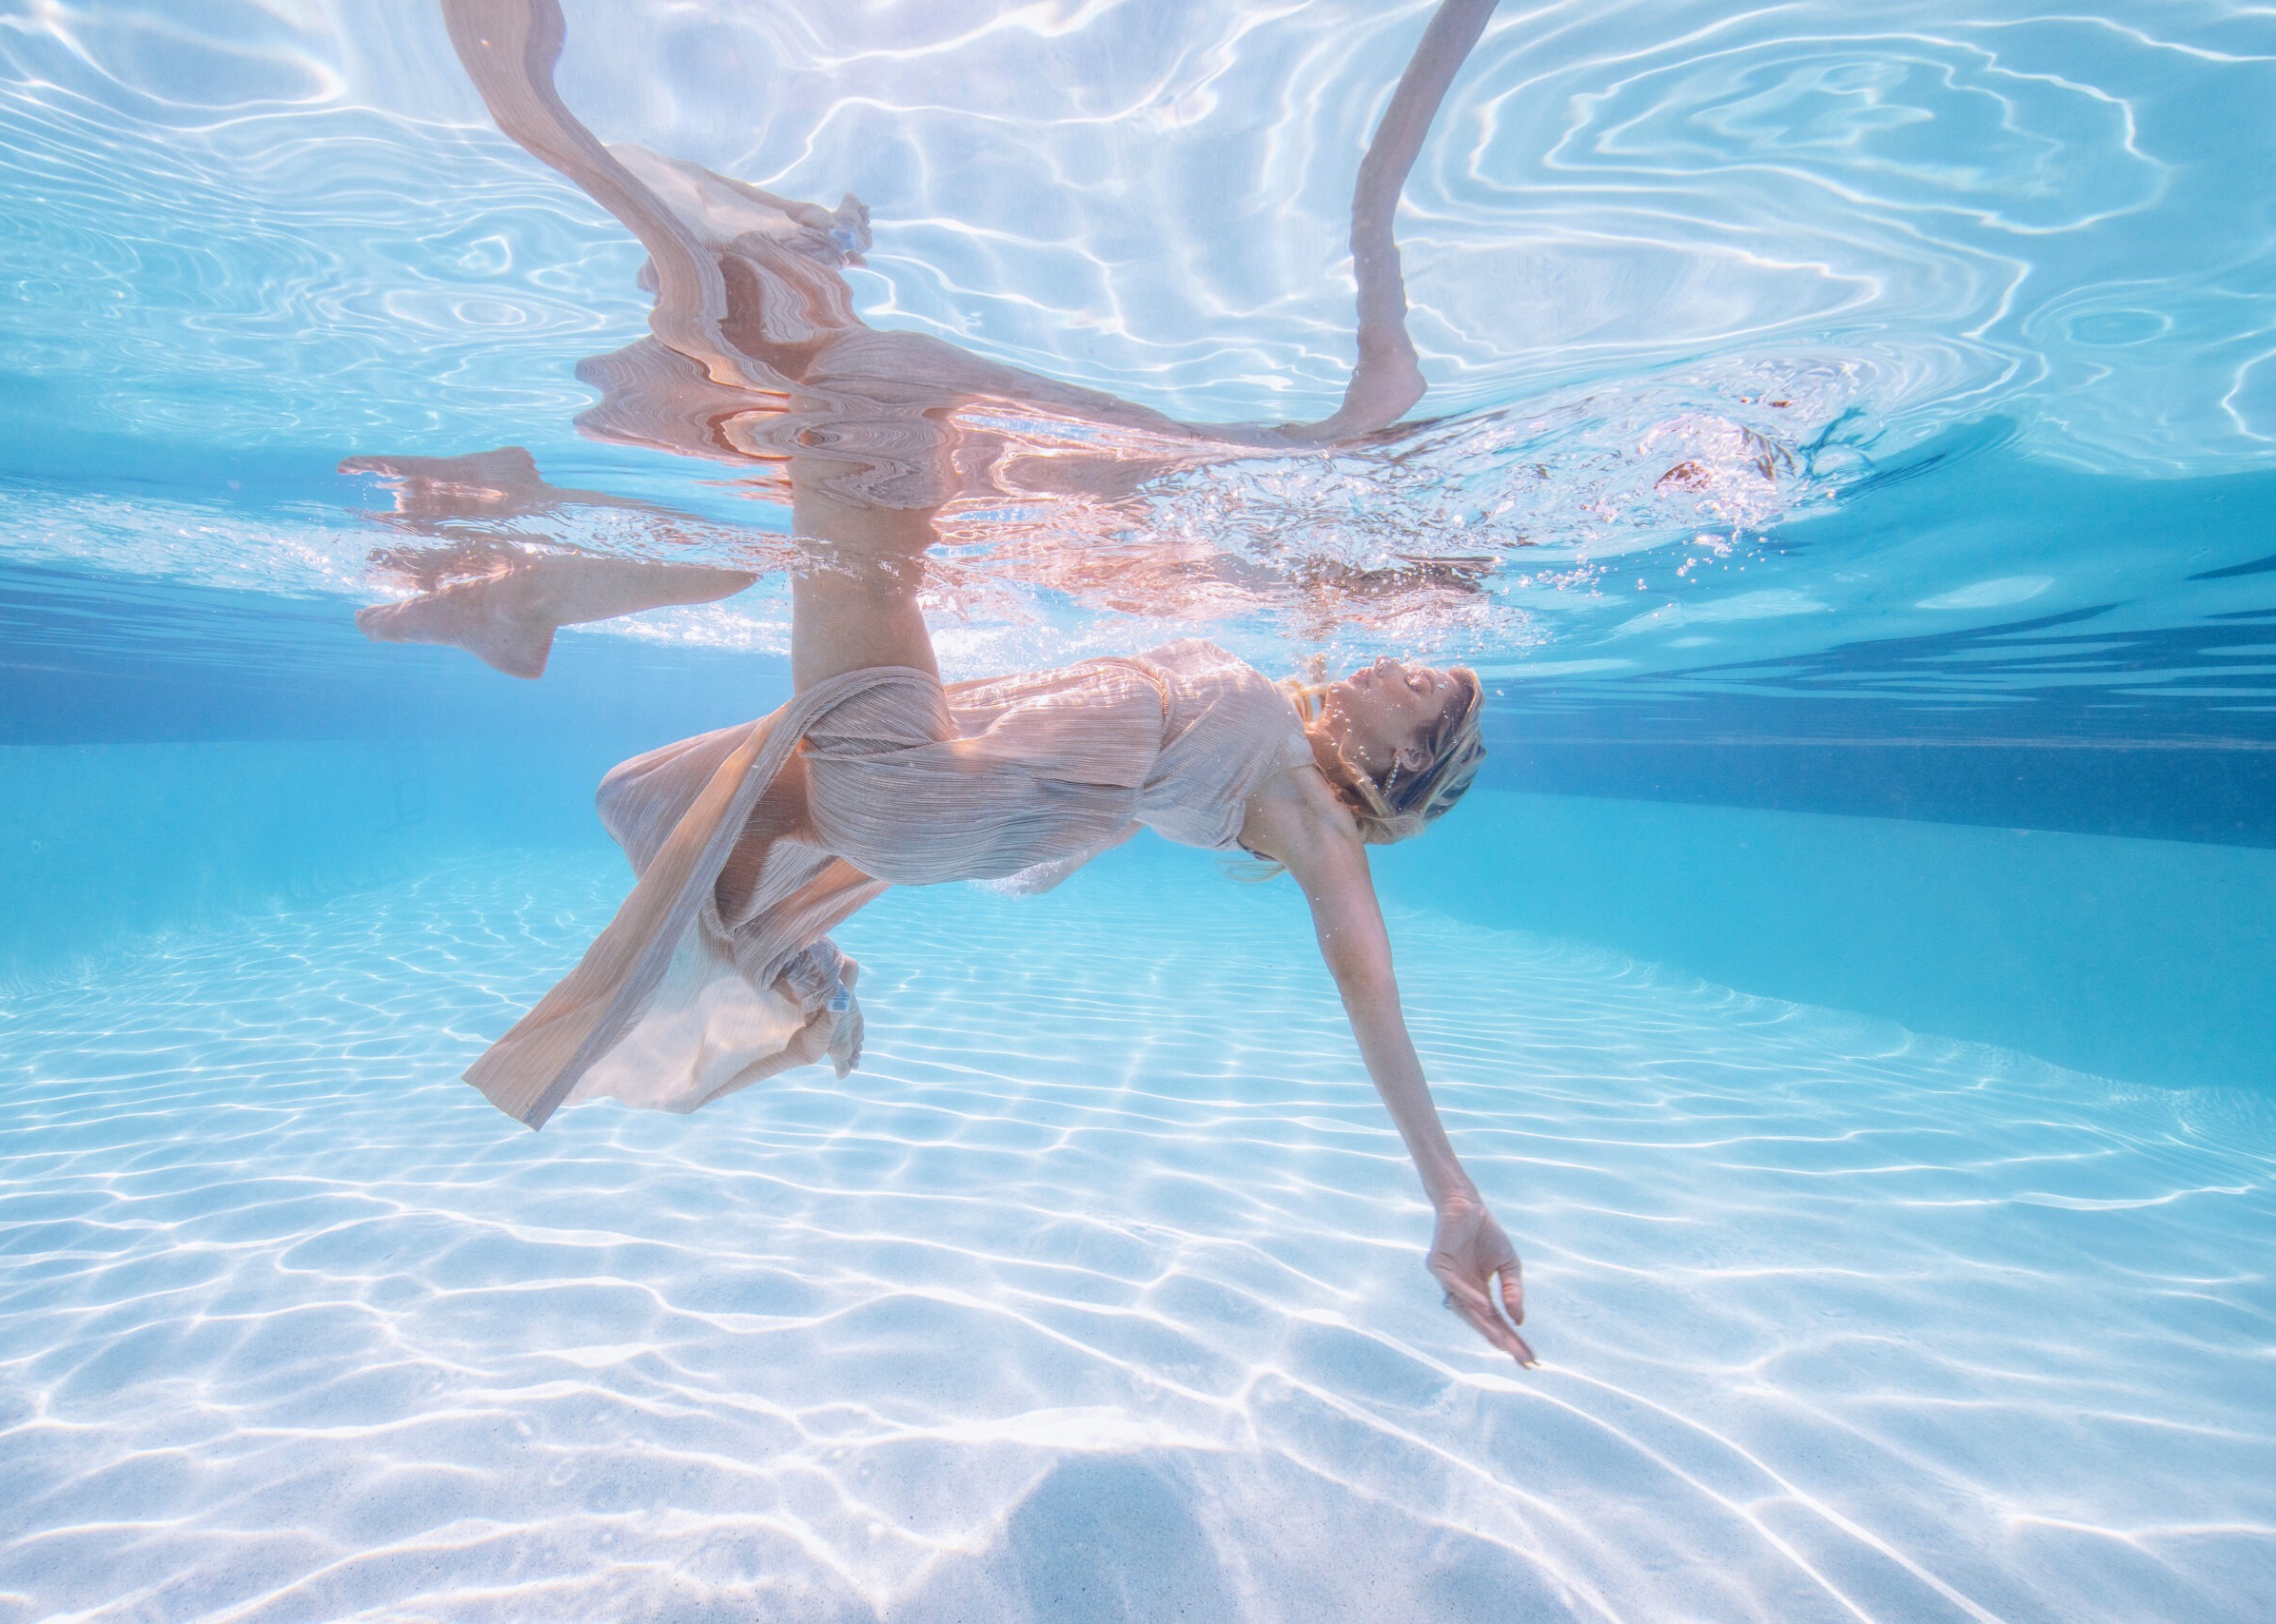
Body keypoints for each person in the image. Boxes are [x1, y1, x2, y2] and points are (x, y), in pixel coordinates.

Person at [363, 0, 1534, 1365]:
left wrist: (1450, 1193)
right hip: (938, 805)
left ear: (1391, 768)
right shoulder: (1275, 703)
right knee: (646, 789)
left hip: (932, 791)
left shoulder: (1304, 810)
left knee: (856, 398)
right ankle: (603, 657)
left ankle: (553, 139)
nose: (1414, 658)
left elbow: (1366, 988)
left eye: (1431, 699)